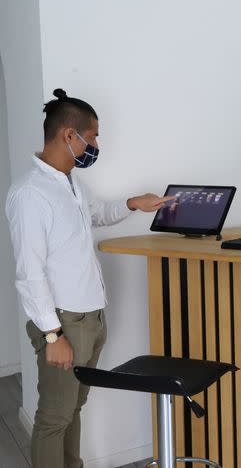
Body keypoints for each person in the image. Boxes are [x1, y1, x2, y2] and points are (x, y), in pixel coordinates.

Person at [4, 88, 174, 468]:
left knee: (73, 408)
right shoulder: (30, 194)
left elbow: (95, 215)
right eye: (92, 137)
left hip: (90, 317)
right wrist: (53, 335)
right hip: (64, 322)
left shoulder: (70, 184)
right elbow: (29, 274)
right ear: (69, 135)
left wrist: (133, 203)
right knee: (53, 417)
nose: (95, 145)